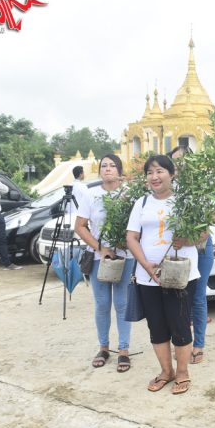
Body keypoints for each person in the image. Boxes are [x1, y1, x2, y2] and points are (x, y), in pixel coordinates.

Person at [126, 154, 200, 395]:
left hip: (179, 275)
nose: (154, 177)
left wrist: (186, 239)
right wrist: (146, 265)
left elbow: (203, 236)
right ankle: (165, 372)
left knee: (179, 325)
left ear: (172, 173)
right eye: (150, 172)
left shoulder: (186, 201)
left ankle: (182, 373)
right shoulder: (142, 203)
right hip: (148, 276)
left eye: (159, 171)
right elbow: (131, 237)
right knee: (156, 327)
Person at [75, 154, 134, 372]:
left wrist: (122, 244)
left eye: (112, 166)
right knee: (101, 304)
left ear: (120, 170)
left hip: (125, 257)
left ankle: (124, 350)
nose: (107, 169)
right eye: (103, 166)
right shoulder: (91, 195)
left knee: (122, 304)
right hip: (99, 257)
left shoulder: (128, 194)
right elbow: (80, 226)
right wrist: (101, 248)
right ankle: (104, 347)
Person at [167, 145, 211, 364]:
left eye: (183, 161)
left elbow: (205, 232)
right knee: (180, 299)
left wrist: (186, 241)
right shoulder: (170, 192)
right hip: (178, 251)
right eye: (175, 162)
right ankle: (182, 342)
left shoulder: (200, 190)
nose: (179, 166)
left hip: (200, 249)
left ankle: (198, 344)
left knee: (198, 297)